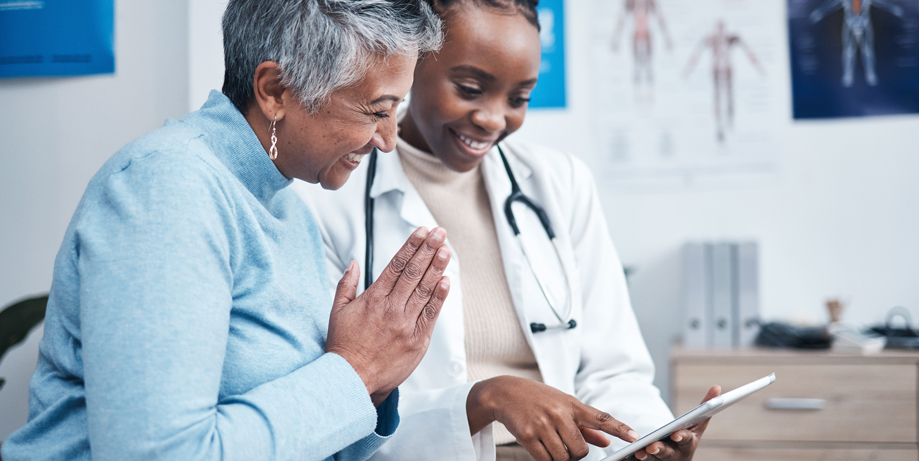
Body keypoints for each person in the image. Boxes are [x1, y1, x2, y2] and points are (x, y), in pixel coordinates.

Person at [0, 1, 448, 460]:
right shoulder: (167, 189)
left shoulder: (287, 207)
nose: (388, 139)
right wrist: (356, 371)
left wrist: (372, 385)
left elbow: (308, 439)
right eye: (377, 111)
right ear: (276, 90)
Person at [295, 1, 720, 460]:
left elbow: (614, 369)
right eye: (471, 88)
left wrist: (647, 438)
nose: (494, 119)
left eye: (518, 99)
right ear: (412, 62)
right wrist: (483, 401)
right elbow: (334, 407)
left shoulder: (560, 184)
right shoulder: (329, 195)